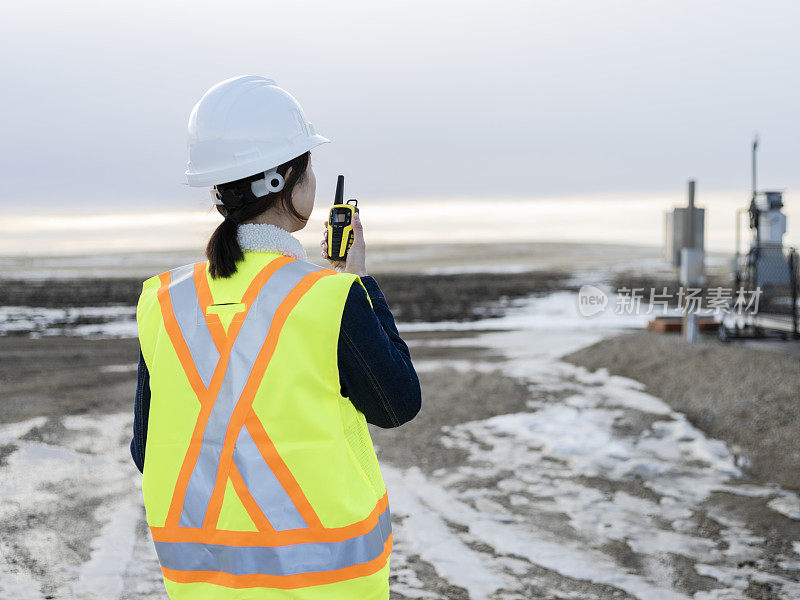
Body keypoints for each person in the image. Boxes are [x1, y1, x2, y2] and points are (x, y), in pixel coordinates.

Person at [131, 75, 421, 599]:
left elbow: (146, 448)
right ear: (288, 179)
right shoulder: (329, 298)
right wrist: (357, 285)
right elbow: (396, 404)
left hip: (205, 587)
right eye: (310, 164)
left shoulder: (164, 301)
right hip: (328, 586)